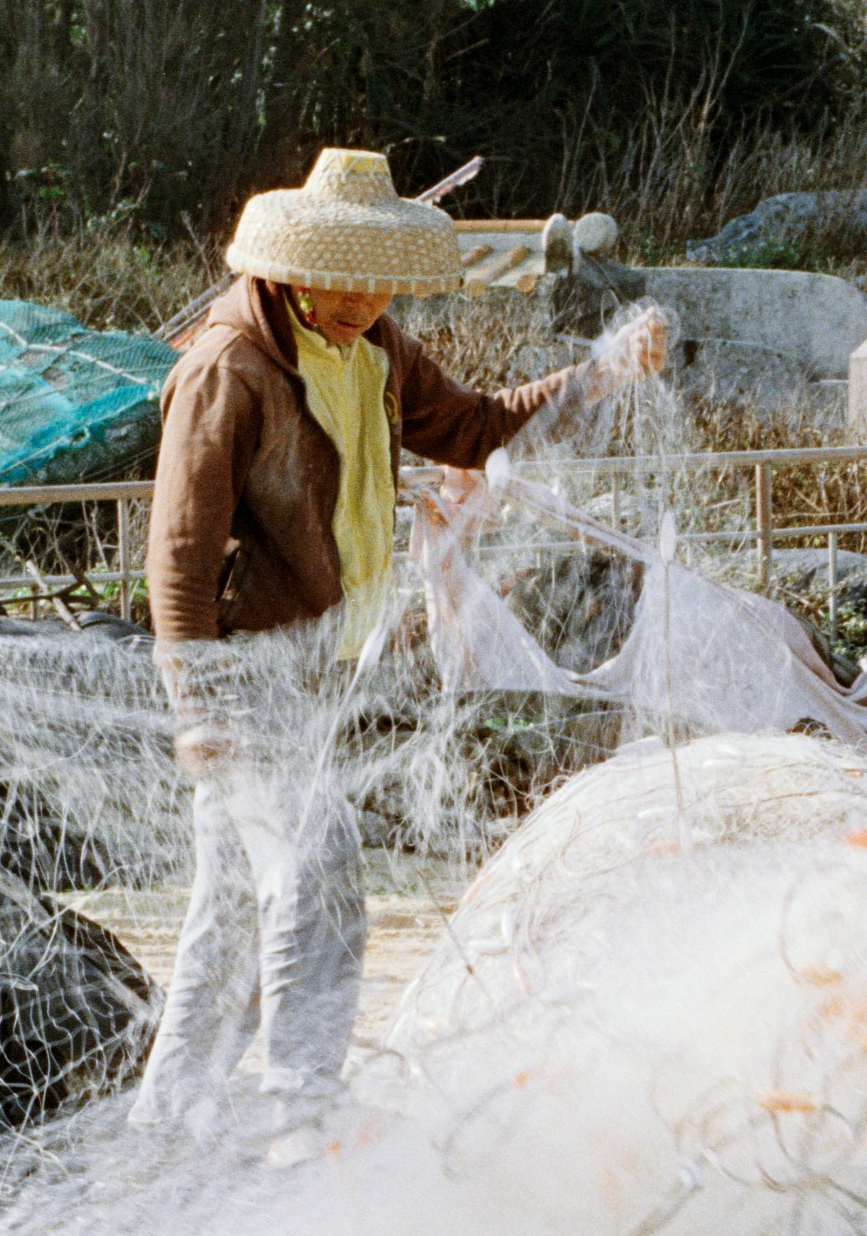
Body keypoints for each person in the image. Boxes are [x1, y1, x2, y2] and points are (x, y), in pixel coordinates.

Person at [138, 147, 662, 1125]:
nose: (364, 297)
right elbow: (178, 551)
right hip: (246, 670)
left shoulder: (375, 348)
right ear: (294, 266)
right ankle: (302, 1108)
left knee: (234, 911)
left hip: (323, 671)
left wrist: (594, 377)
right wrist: (195, 706)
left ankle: (174, 1123)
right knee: (319, 878)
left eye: (382, 279)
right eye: (345, 277)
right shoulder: (229, 367)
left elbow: (470, 428)